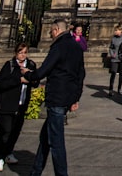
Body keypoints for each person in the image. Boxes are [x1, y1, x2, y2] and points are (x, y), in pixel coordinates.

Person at [23, 18, 85, 176]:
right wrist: (76, 97)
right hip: (67, 97)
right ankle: (35, 172)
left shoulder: (58, 46)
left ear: (57, 30)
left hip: (57, 97)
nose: (50, 34)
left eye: (51, 31)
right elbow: (81, 75)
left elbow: (43, 70)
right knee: (45, 138)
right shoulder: (76, 47)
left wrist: (28, 75)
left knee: (56, 142)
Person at [0, 43, 37, 172]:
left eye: (25, 52)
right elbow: (1, 84)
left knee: (15, 131)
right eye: (20, 52)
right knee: (5, 131)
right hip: (7, 103)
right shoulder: (9, 65)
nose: (22, 55)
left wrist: (32, 78)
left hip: (21, 104)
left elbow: (35, 81)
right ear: (15, 53)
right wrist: (20, 79)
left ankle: (8, 153)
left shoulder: (31, 65)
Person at [107, 24, 122, 96]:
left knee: (121, 74)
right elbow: (111, 47)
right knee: (113, 73)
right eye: (115, 30)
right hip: (114, 58)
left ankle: (119, 89)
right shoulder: (113, 39)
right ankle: (111, 89)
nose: (115, 32)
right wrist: (112, 54)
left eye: (116, 30)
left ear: (121, 31)